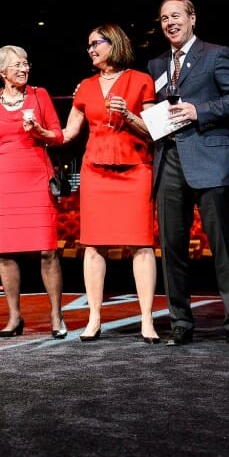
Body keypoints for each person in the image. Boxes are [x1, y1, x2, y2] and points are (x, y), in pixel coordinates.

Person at [149, 0, 229, 349]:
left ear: (193, 18)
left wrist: (201, 111)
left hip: (210, 160)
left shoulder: (215, 53)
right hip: (168, 162)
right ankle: (180, 323)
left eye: (176, 16)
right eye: (164, 18)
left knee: (224, 247)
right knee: (172, 248)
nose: (170, 23)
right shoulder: (155, 64)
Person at [60, 24, 160, 343]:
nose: (90, 50)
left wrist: (129, 116)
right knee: (93, 245)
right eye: (87, 45)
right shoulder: (86, 87)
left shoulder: (141, 80)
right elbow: (67, 133)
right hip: (95, 171)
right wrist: (36, 129)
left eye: (95, 44)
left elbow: (154, 130)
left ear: (113, 44)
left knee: (141, 244)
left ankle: (147, 320)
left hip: (135, 168)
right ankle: (94, 319)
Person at [0, 45, 67, 339]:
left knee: (48, 250)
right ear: (2, 72)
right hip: (4, 182)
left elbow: (59, 135)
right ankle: (14, 317)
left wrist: (40, 131)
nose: (24, 68)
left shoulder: (40, 96)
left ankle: (56, 316)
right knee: (6, 253)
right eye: (17, 65)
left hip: (37, 176)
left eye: (26, 63)